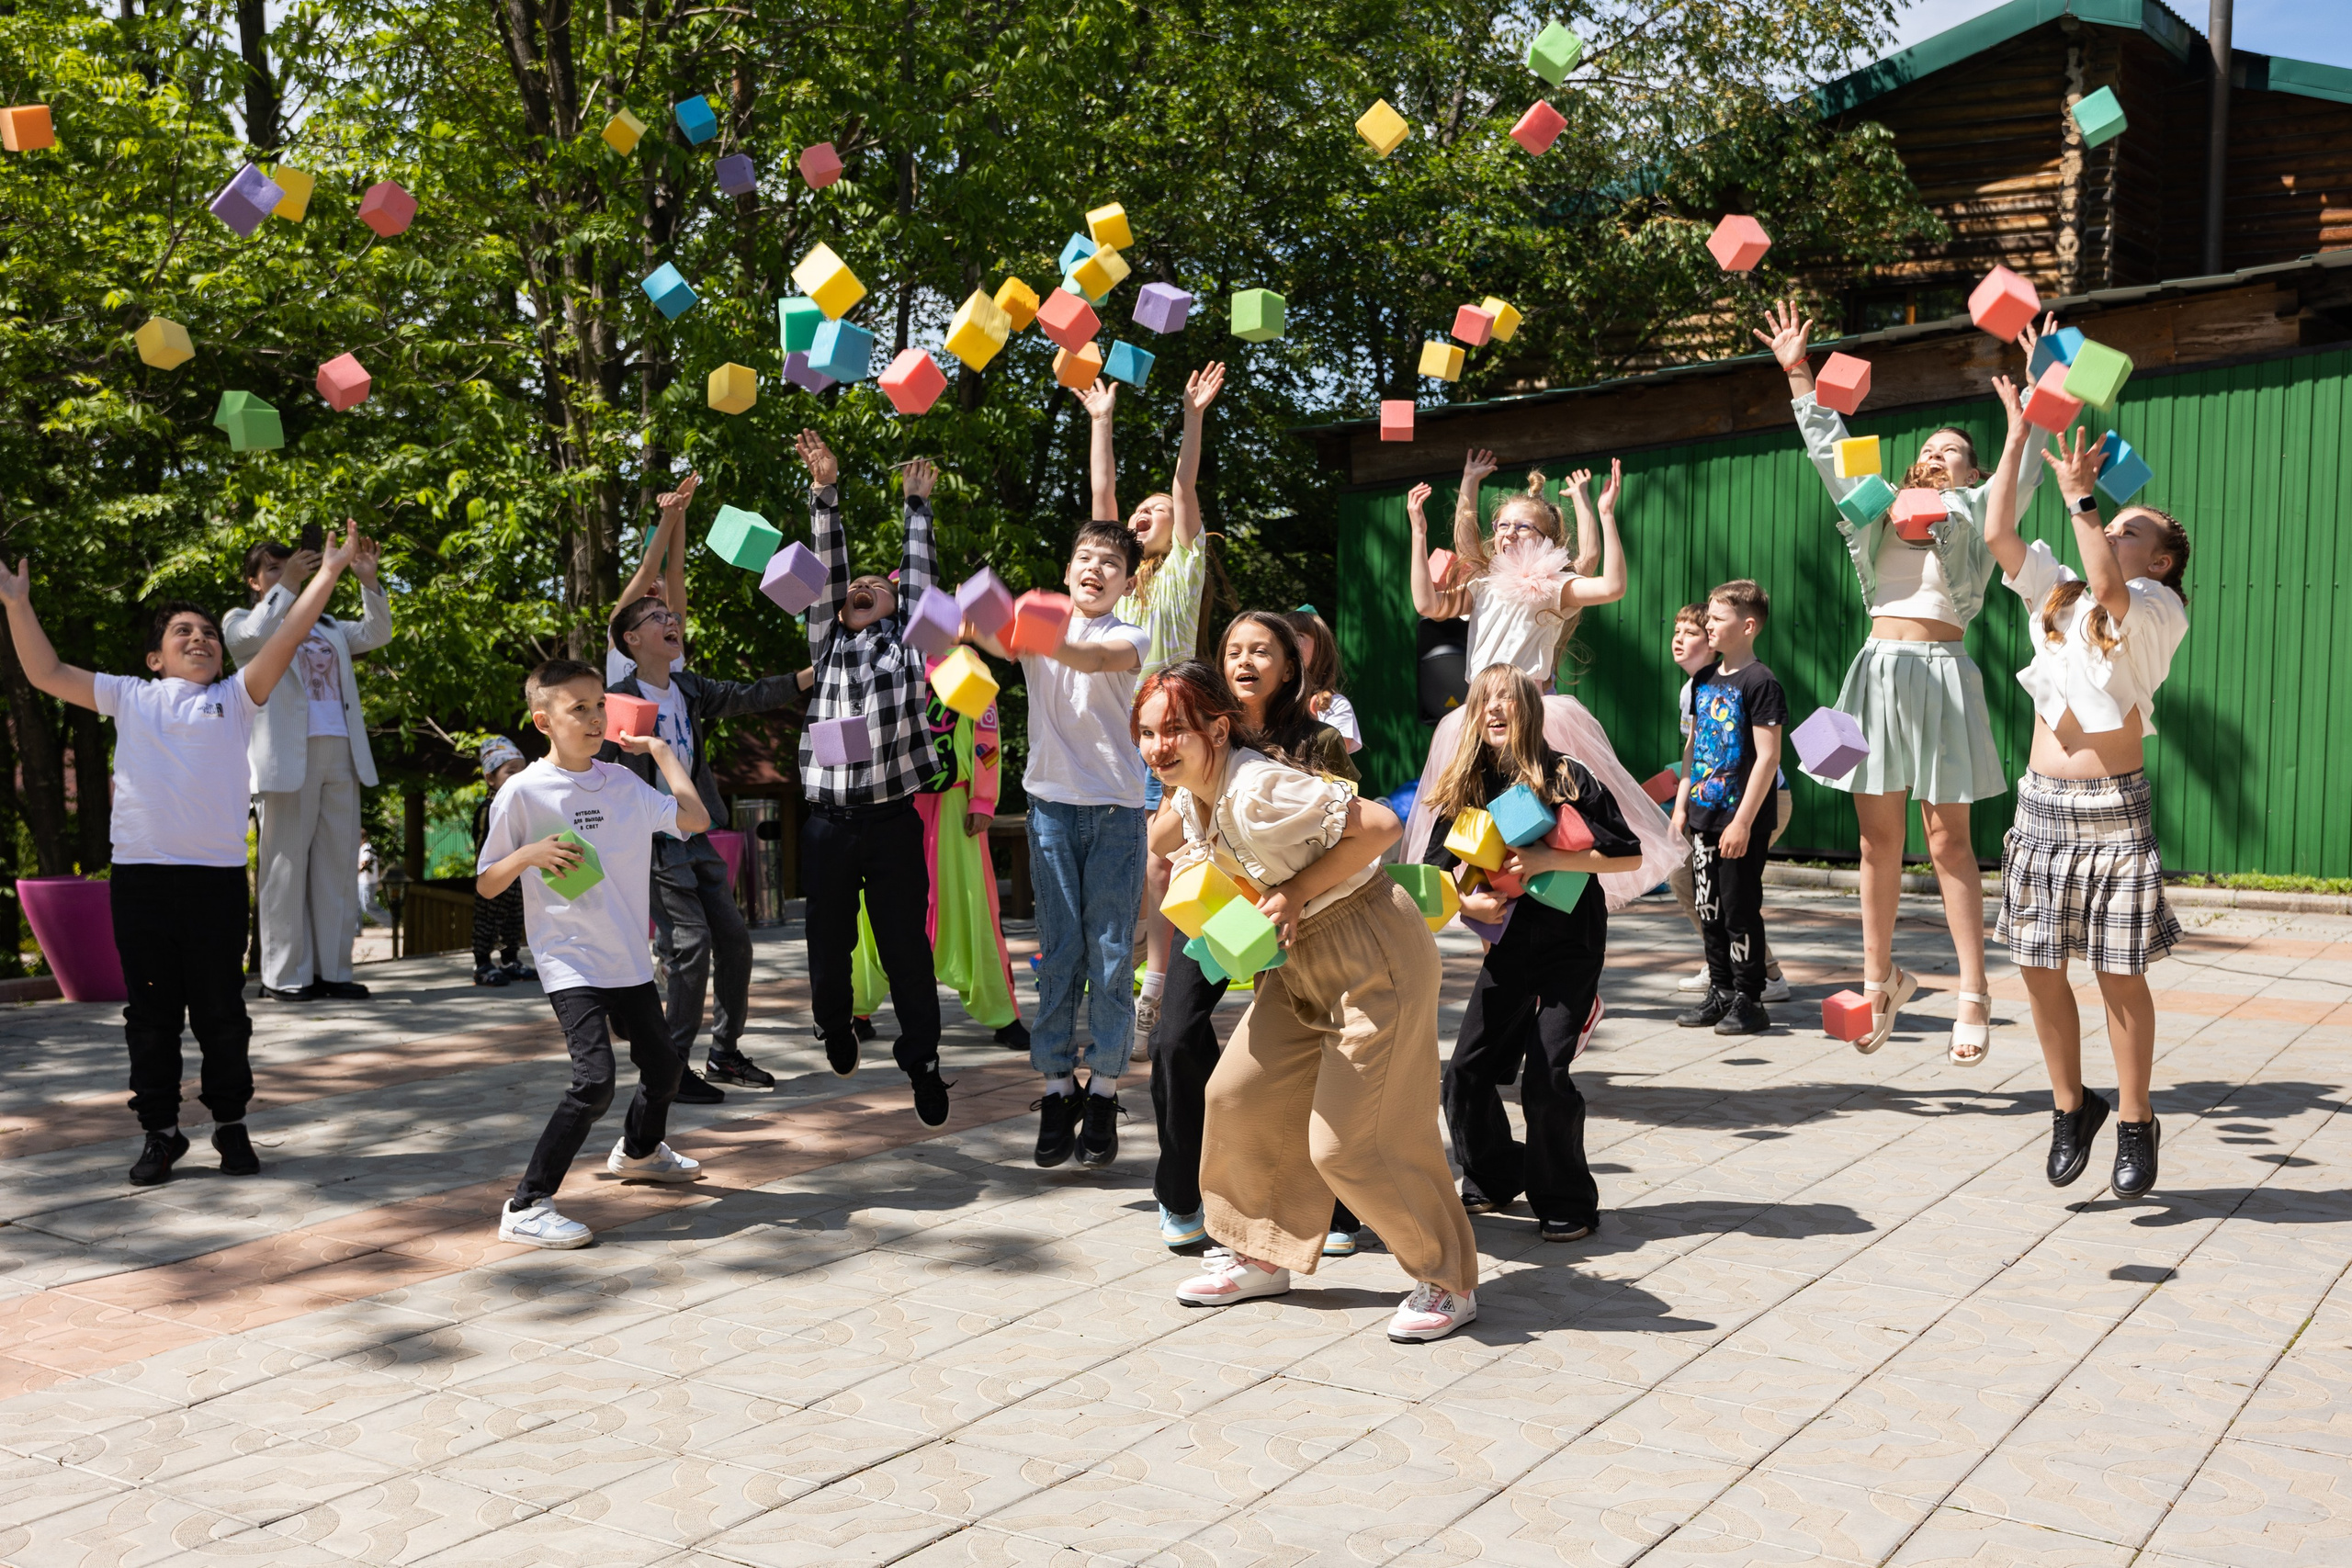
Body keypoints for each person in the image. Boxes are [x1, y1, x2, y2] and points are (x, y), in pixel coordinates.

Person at [0, 524, 362, 1186]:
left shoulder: (236, 698)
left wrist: (329, 572)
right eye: (182, 633)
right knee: (152, 1017)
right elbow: (46, 672)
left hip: (215, 884)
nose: (200, 638)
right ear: (155, 660)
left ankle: (230, 1124)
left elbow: (283, 637)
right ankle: (160, 1134)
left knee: (223, 1012)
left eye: (208, 633)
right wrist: (18, 606)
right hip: (141, 884)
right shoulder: (129, 697)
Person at [1138, 661, 1481, 1342]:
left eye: (1174, 729)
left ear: (1218, 726)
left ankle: (1449, 1279)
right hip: (1298, 963)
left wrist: (1291, 892)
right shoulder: (1195, 792)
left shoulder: (1261, 785)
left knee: (1348, 1143)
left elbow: (1381, 825)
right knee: (1235, 1094)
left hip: (1369, 948)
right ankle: (1261, 1252)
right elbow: (1157, 841)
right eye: (1146, 733)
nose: (1157, 746)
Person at [1758, 302, 2046, 1062]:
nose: (1934, 453)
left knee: (1949, 841)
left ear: (1974, 471)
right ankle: (1879, 980)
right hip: (1876, 673)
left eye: (1952, 449)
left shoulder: (1985, 510)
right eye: (1927, 446)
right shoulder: (1878, 506)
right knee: (1875, 842)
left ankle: (1974, 991)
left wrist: (2042, 385)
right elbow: (1830, 447)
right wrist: (1798, 369)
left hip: (1945, 675)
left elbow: (2034, 463)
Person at [1982, 381, 2191, 1198]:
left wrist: (2078, 496)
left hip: (2112, 812)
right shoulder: (2058, 590)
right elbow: (1998, 531)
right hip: (2041, 806)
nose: (2112, 525)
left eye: (2129, 527)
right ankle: (2074, 1104)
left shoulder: (2156, 604)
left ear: (2162, 559)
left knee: (2117, 972)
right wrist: (2018, 432)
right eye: (2109, 521)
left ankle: (2136, 1118)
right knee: (2036, 965)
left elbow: (2112, 590)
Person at [478, 660, 711, 1248]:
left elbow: (696, 818)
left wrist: (659, 751)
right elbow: (485, 882)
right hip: (569, 959)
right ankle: (526, 1205)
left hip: (628, 957)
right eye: (576, 707)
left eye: (598, 705)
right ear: (543, 721)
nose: (593, 716)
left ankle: (637, 1152)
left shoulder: (624, 783)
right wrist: (529, 855)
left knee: (664, 1069)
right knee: (595, 1081)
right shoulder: (522, 792)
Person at [1147, 612, 1359, 1255]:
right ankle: (1184, 1192)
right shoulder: (1201, 728)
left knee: (1314, 1049)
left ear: (1289, 666)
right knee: (1175, 1035)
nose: (1245, 660)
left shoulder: (1320, 739)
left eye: (1261, 650)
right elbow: (1159, 836)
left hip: (1297, 911)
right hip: (1216, 906)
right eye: (1234, 649)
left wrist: (1293, 896)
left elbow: (1350, 836)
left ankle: (1337, 1203)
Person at [1401, 452, 1681, 912]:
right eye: (1504, 526)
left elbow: (1607, 581)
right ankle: (1496, 934)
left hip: (1533, 713)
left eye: (1523, 527)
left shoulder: (1552, 587)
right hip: (1479, 716)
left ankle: (1554, 919)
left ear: (1547, 540)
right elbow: (1428, 603)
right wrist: (1421, 531)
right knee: (1479, 834)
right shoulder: (1482, 586)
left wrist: (1601, 512)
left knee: (1543, 822)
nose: (1509, 534)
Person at [1421, 664, 1644, 1237]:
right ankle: (1494, 1178)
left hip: (1573, 945)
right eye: (1484, 701)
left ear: (1530, 709)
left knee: (1545, 1076)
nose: (1495, 709)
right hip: (1510, 951)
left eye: (1507, 699)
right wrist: (1467, 907)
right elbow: (1427, 878)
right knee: (1464, 1074)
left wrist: (1551, 861)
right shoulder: (1466, 785)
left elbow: (1628, 857)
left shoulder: (1568, 776)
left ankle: (1566, 1199)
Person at [965, 523, 1151, 1169]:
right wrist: (961, 615)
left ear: (1129, 581)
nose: (1095, 568)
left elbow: (1092, 660)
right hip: (1049, 811)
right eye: (1085, 558)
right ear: (1068, 570)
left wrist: (1034, 628)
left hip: (1116, 815)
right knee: (1061, 952)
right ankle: (1054, 1088)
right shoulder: (1036, 632)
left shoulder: (1128, 636)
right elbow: (980, 636)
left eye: (1110, 562)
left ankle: (1101, 1091)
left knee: (1108, 954)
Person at [797, 433, 953, 1126]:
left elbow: (921, 590)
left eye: (877, 586)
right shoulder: (825, 641)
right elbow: (829, 574)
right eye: (856, 587)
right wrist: (826, 496)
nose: (861, 588)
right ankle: (835, 1024)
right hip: (829, 825)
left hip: (892, 822)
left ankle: (921, 1059)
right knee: (827, 949)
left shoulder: (910, 647)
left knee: (905, 951)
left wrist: (916, 508)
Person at [607, 572, 800, 1095]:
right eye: (657, 618)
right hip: (653, 841)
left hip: (695, 832)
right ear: (631, 639)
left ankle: (725, 1054)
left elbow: (749, 695)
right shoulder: (616, 702)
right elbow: (598, 777)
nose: (672, 622)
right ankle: (671, 1066)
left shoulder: (689, 688)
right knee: (690, 945)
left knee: (735, 943)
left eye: (672, 618)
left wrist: (807, 677)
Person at [1089, 364, 1226, 1045]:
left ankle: (1155, 986)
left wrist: (1192, 416)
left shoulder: (1182, 569)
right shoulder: (1117, 583)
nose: (1141, 516)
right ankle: (1138, 967)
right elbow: (1103, 493)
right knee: (1140, 860)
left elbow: (1184, 483)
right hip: (1117, 735)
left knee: (1159, 859)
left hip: (1172, 729)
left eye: (1156, 512)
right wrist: (1101, 421)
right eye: (1136, 516)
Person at [224, 534, 393, 1002]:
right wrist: (293, 586)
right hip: (284, 758)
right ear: (253, 581)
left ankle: (333, 971)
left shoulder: (332, 627)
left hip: (340, 752)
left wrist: (368, 581)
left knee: (338, 867)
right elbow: (252, 638)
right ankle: (284, 976)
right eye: (273, 570)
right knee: (284, 869)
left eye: (291, 567)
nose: (284, 575)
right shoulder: (242, 620)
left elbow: (378, 634)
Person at [849, 671, 1029, 1050]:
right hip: (888, 803)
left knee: (970, 904)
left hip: (952, 803)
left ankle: (1002, 1013)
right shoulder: (879, 657)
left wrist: (983, 798)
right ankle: (856, 1010)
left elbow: (986, 736)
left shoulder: (964, 664)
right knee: (874, 907)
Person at [1671, 581, 1788, 1037]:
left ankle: (1749, 998)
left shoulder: (1760, 682)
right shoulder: (1703, 680)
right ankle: (1719, 990)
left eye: (1717, 620)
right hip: (1703, 815)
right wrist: (1682, 806)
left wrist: (1742, 821)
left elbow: (1768, 757)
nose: (1708, 626)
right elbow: (1692, 746)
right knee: (1708, 907)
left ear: (1748, 625)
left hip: (1740, 820)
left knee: (1740, 909)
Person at [607, 474, 695, 687]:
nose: (652, 581)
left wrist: (680, 509)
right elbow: (648, 569)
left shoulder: (672, 632)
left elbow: (675, 572)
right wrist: (669, 516)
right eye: (645, 583)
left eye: (659, 580)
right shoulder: (621, 628)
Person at [469, 737, 533, 986]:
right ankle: (482, 963)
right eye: (510, 771)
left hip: (519, 878)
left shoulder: (524, 807)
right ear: (490, 778)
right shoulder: (488, 809)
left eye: (522, 771)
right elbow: (481, 847)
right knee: (487, 920)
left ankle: (510, 960)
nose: (518, 777)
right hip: (495, 876)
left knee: (514, 919)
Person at [1284, 607, 1363, 754]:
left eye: (1298, 635)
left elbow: (1335, 761)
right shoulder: (1266, 700)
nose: (1288, 642)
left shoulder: (1333, 706)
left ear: (1320, 649)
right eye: (1282, 637)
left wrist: (1312, 726)